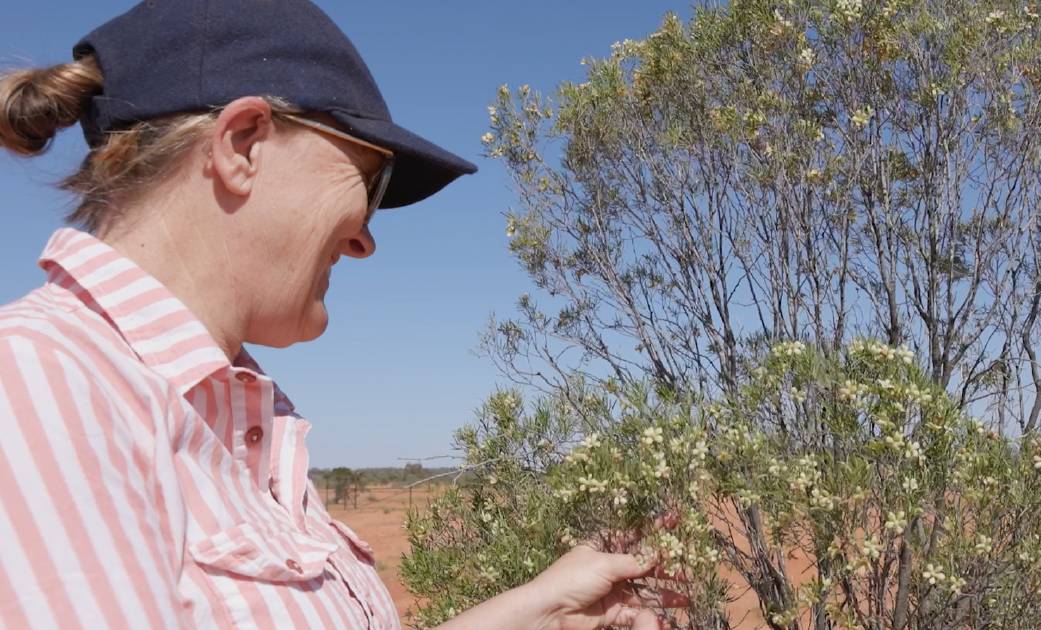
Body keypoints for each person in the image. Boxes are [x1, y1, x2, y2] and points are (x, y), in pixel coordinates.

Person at [0, 2, 685, 628]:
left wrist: (540, 611)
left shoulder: (227, 418)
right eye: (371, 181)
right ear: (244, 143)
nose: (364, 239)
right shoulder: (40, 386)